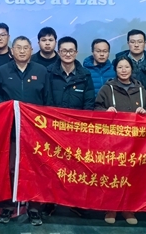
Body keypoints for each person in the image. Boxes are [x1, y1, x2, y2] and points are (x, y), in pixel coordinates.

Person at [0, 36, 48, 227]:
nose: (22, 51)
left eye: (25, 48)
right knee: (10, 168)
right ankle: (9, 205)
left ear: (31, 50)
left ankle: (34, 208)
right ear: (12, 51)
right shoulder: (3, 70)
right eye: (18, 48)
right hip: (11, 129)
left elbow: (47, 99)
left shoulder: (41, 71)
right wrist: (5, 108)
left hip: (35, 130)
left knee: (35, 168)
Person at [95, 56, 146, 225]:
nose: (123, 70)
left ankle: (129, 209)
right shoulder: (107, 88)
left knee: (132, 176)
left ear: (131, 69)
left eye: (126, 67)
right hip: (113, 141)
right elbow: (96, 108)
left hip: (136, 142)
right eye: (120, 67)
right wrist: (106, 111)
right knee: (112, 175)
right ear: (115, 69)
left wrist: (145, 112)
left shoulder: (141, 90)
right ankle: (111, 208)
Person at [43, 36, 94, 217]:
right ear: (58, 52)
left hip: (77, 131)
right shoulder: (49, 72)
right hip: (54, 129)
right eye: (64, 50)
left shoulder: (85, 75)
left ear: (76, 52)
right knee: (53, 166)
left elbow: (89, 103)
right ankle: (50, 202)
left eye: (71, 50)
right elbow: (46, 99)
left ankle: (75, 201)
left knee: (76, 167)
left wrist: (82, 126)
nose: (67, 54)